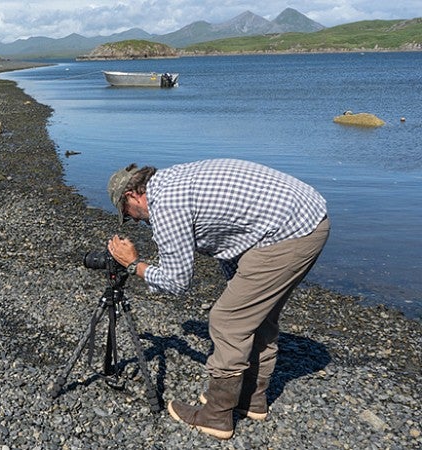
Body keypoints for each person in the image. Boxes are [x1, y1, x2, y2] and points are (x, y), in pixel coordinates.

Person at [105, 159, 329, 440]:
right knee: (255, 314)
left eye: (129, 215)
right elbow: (227, 241)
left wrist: (134, 264)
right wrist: (238, 287)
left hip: (292, 231)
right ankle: (251, 400)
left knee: (227, 320)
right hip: (303, 218)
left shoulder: (166, 205)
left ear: (132, 195)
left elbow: (176, 281)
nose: (135, 221)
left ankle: (217, 416)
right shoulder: (172, 181)